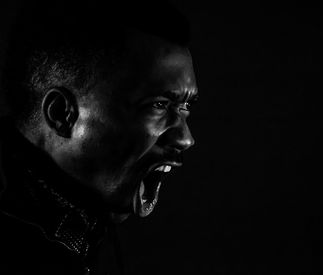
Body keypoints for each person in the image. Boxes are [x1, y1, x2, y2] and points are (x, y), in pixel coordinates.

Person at [0, 0, 198, 274]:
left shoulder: (84, 230)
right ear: (62, 114)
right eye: (159, 105)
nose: (185, 139)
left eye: (185, 106)